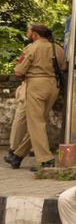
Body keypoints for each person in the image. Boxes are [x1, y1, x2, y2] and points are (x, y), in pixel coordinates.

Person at [5, 24, 65, 171]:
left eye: (29, 32)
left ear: (35, 34)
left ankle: (46, 160)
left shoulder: (31, 48)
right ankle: (18, 155)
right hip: (54, 85)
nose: (27, 34)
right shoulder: (57, 48)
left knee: (36, 123)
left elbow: (19, 72)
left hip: (36, 85)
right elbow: (63, 67)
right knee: (37, 122)